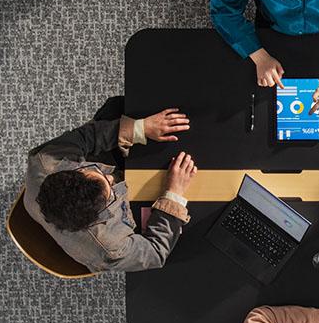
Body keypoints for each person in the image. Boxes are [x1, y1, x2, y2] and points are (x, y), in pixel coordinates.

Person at [25, 104, 197, 273]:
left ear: (73, 171)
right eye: (109, 194)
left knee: (118, 107)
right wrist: (174, 194)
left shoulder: (46, 160)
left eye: (95, 172)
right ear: (97, 217)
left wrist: (140, 128)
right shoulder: (108, 248)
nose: (110, 176)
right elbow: (155, 252)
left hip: (110, 160)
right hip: (129, 212)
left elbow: (85, 137)